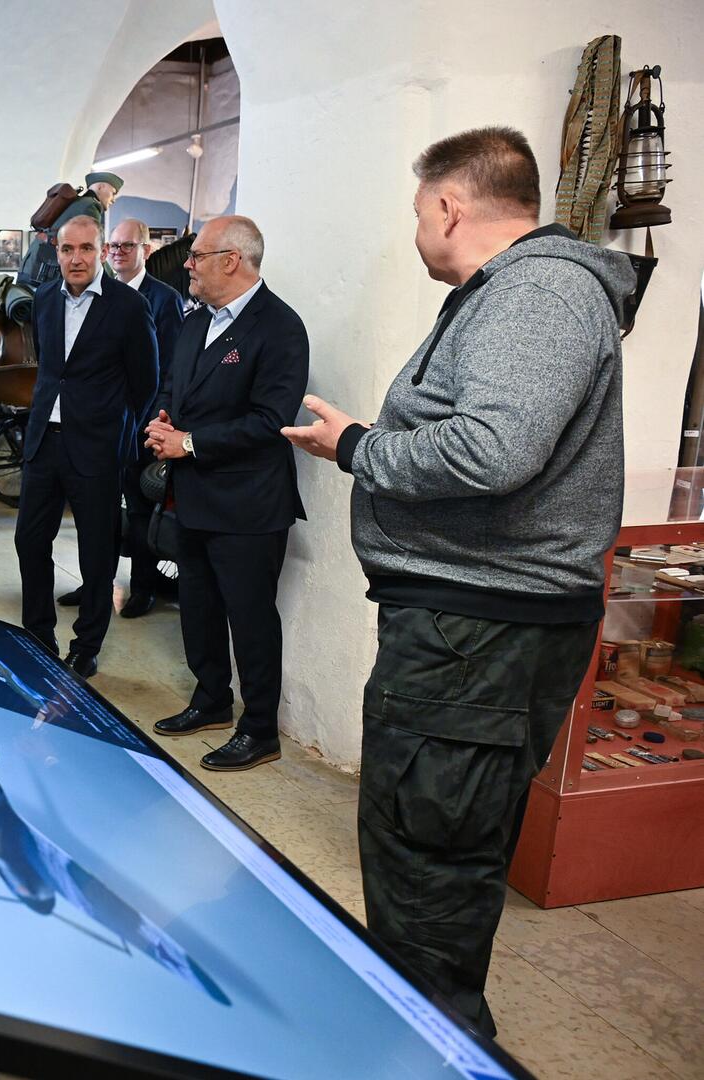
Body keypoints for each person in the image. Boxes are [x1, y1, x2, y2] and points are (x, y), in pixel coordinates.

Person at [281, 127, 635, 1035]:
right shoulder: (520, 292)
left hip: (477, 637)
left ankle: (434, 1049)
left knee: (427, 875)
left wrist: (356, 447)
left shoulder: (537, 293)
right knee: (436, 857)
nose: (417, 231)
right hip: (474, 632)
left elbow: (493, 450)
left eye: (417, 213)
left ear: (449, 207)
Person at [148, 215, 308, 773]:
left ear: (232, 260)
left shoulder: (280, 327)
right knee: (198, 608)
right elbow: (174, 389)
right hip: (193, 496)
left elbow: (270, 421)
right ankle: (211, 699)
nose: (188, 265)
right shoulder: (196, 322)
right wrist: (163, 422)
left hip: (249, 505)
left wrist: (188, 443)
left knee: (250, 618)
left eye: (197, 256)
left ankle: (260, 729)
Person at [15, 215, 157, 678]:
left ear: (101, 252)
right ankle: (38, 636)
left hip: (96, 448)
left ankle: (87, 646)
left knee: (97, 554)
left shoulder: (128, 306)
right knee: (29, 541)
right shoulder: (43, 298)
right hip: (44, 443)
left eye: (86, 248)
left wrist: (113, 428)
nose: (75, 258)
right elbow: (49, 366)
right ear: (56, 253)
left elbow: (146, 382)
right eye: (67, 249)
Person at [58, 217, 186, 617]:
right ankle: (95, 583)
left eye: (126, 246)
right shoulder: (97, 293)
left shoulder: (163, 299)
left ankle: (143, 587)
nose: (118, 252)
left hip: (141, 426)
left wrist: (145, 423)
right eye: (112, 246)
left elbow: (166, 370)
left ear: (145, 250)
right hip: (100, 430)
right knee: (100, 513)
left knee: (141, 509)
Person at [10, 171, 123, 321]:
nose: (114, 199)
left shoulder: (78, 203)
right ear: (101, 187)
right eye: (113, 193)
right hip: (45, 272)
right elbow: (93, 251)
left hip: (33, 266)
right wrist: (113, 279)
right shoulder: (90, 206)